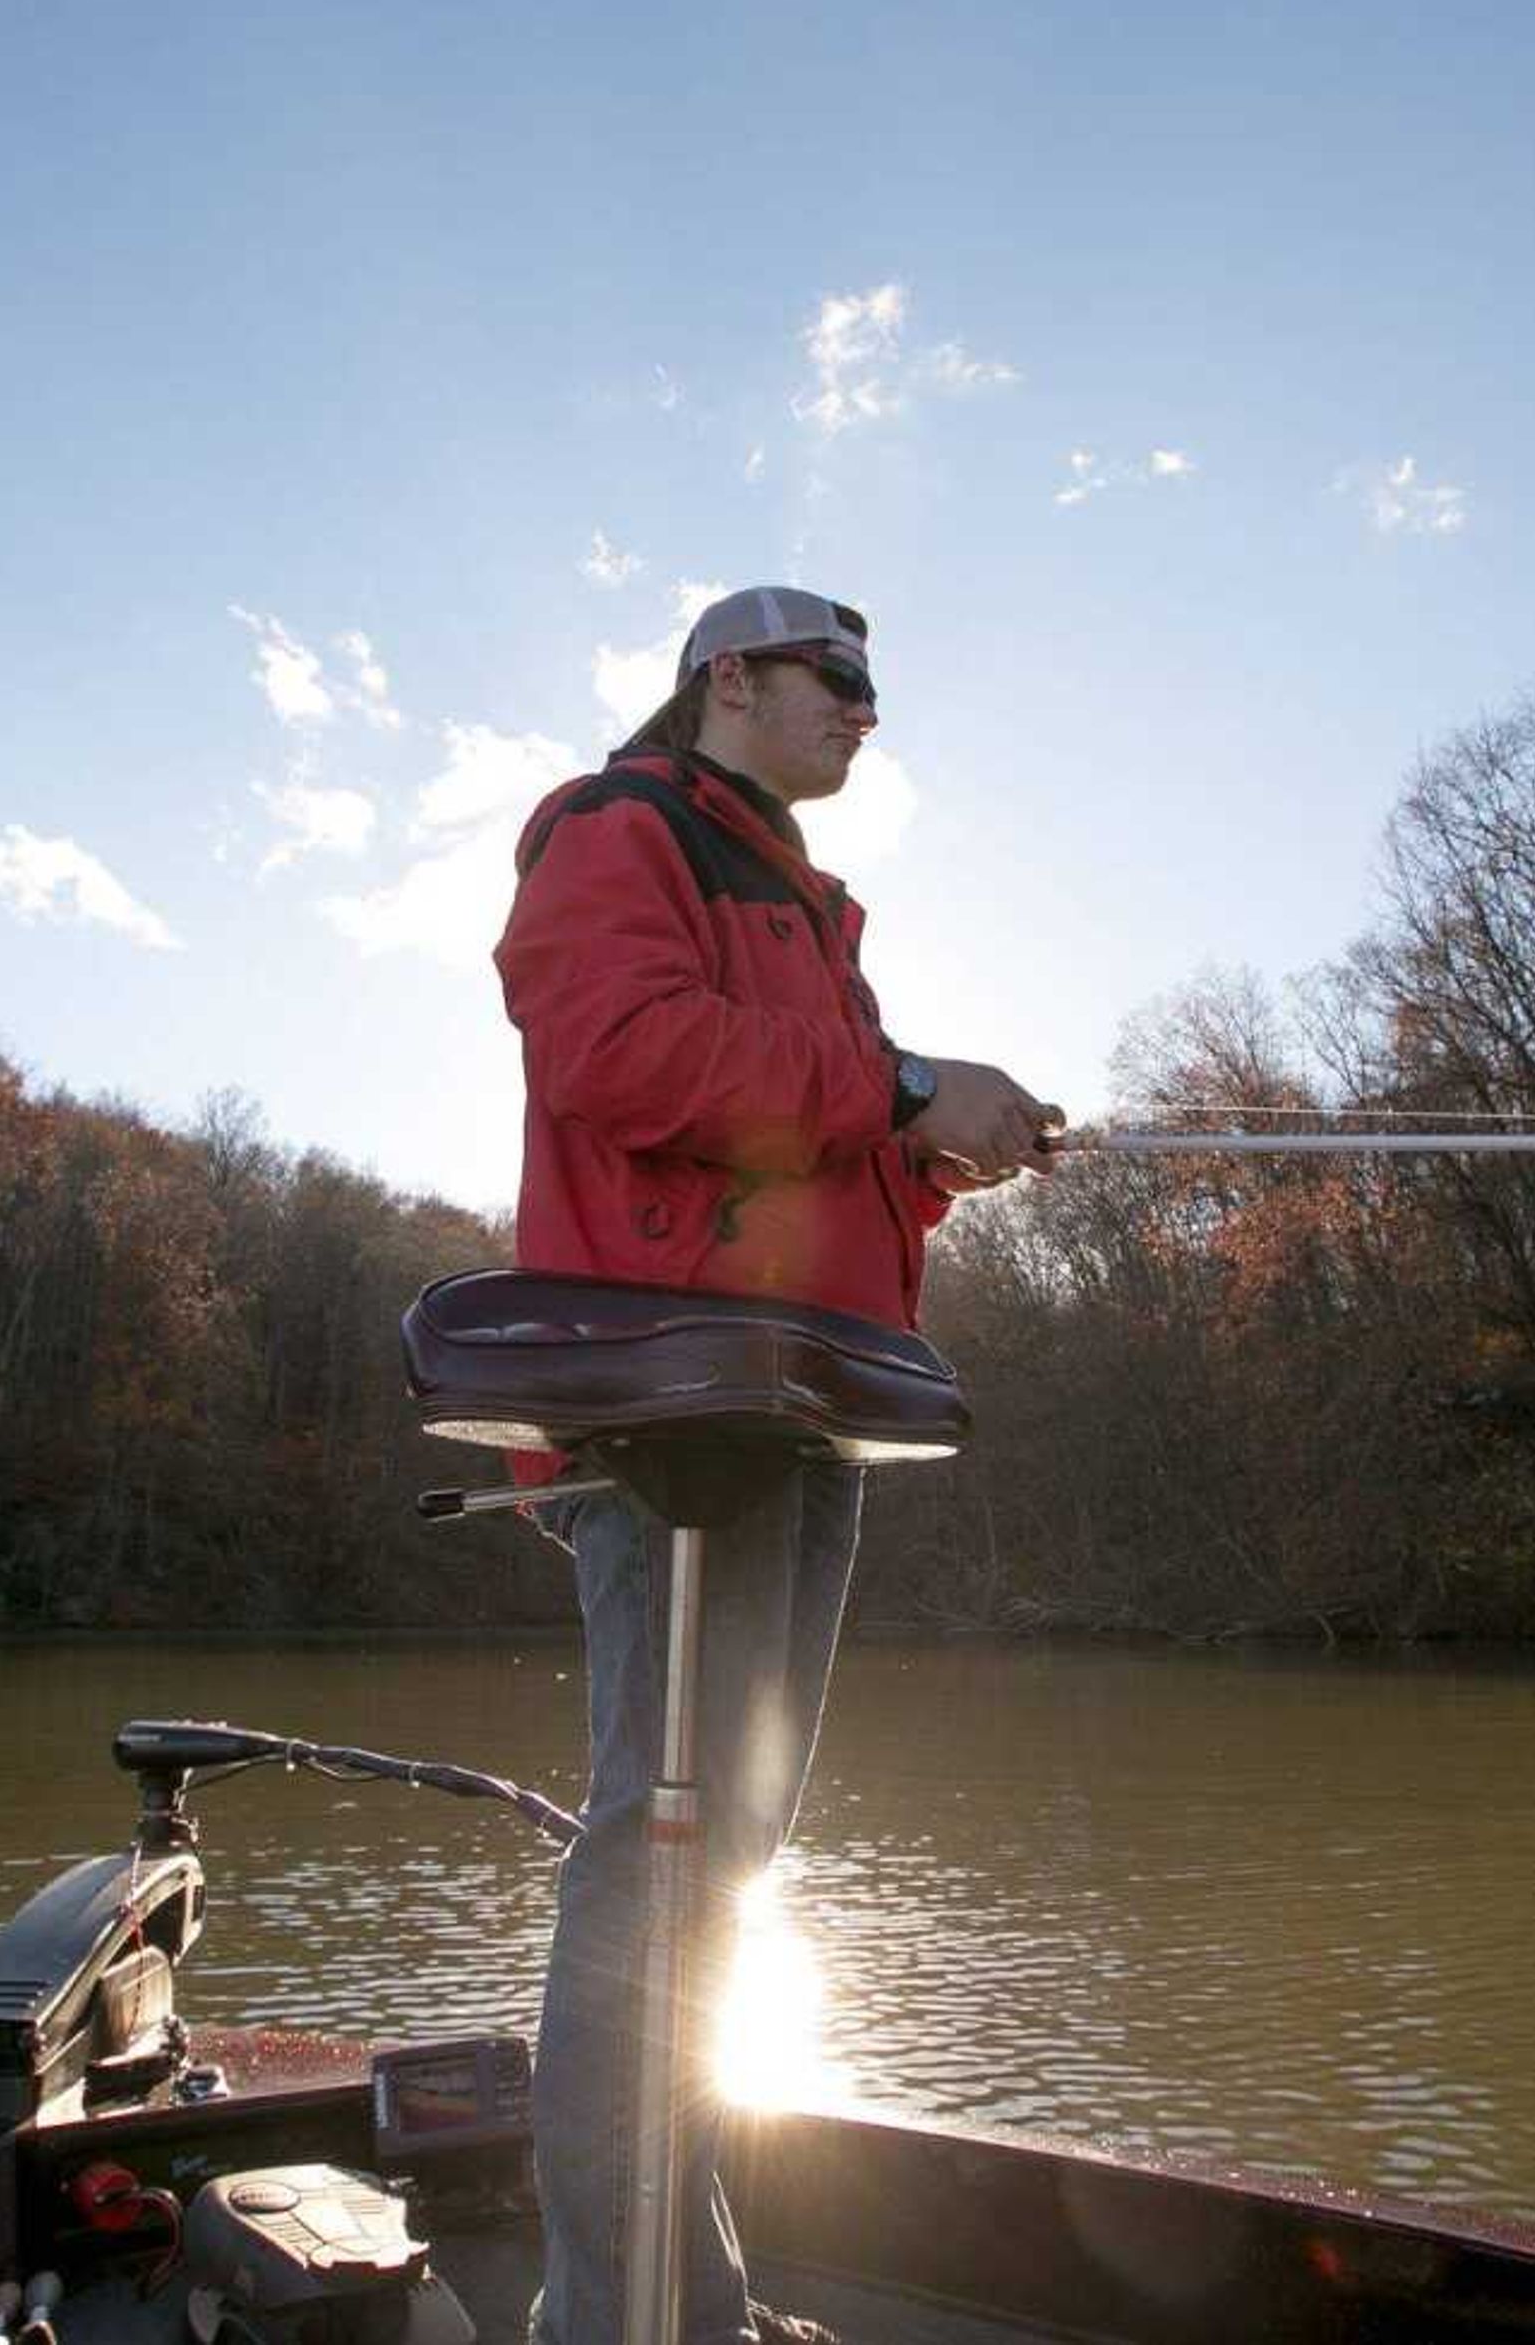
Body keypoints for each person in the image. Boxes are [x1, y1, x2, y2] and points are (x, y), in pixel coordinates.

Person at [492, 585, 1061, 2345]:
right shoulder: (617, 829)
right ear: (726, 679)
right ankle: (634, 2321)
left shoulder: (813, 916)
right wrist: (899, 1085)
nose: (867, 712)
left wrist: (940, 1156)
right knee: (660, 1862)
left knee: (721, 1865)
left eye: (876, 688)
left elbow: (802, 1136)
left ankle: (686, 2297)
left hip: (812, 1411)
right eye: (840, 679)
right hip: (679, 1431)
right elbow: (620, 1051)